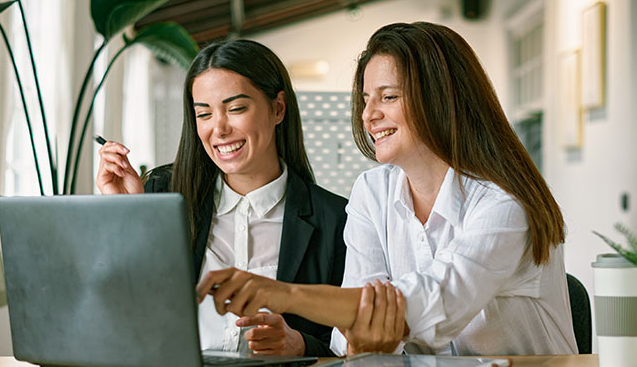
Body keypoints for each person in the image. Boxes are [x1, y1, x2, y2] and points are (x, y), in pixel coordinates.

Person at [195, 22, 578, 357]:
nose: (368, 115)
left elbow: (432, 303)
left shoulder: (502, 204)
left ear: (442, 99)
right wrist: (366, 335)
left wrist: (283, 294)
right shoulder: (372, 192)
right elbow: (348, 343)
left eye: (388, 97)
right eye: (365, 100)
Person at [96, 39, 348, 357]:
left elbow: (351, 342)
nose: (220, 128)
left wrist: (300, 344)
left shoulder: (335, 219)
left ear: (278, 108)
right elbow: (124, 314)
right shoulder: (164, 193)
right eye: (204, 114)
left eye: (236, 108)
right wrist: (129, 214)